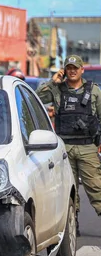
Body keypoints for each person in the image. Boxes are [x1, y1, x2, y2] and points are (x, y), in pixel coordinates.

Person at [36, 55, 101, 236]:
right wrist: (53, 81)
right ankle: (73, 224)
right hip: (64, 148)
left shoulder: (94, 91)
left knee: (96, 187)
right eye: (69, 68)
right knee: (68, 189)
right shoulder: (57, 90)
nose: (72, 71)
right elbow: (37, 97)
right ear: (64, 70)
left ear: (82, 70)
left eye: (75, 68)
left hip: (87, 147)